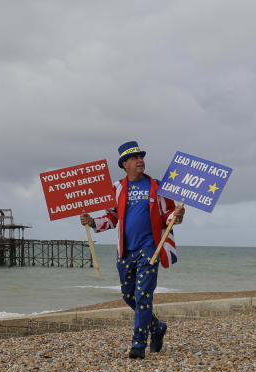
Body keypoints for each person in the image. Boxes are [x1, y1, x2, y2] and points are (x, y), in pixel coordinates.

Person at [79, 141, 185, 359]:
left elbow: (168, 216)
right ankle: (157, 328)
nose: (140, 160)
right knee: (129, 296)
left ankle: (138, 344)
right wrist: (91, 222)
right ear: (124, 163)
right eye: (135, 158)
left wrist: (177, 216)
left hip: (150, 249)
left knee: (143, 296)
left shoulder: (157, 186)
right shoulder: (117, 189)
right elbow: (112, 218)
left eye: (141, 156)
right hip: (125, 251)